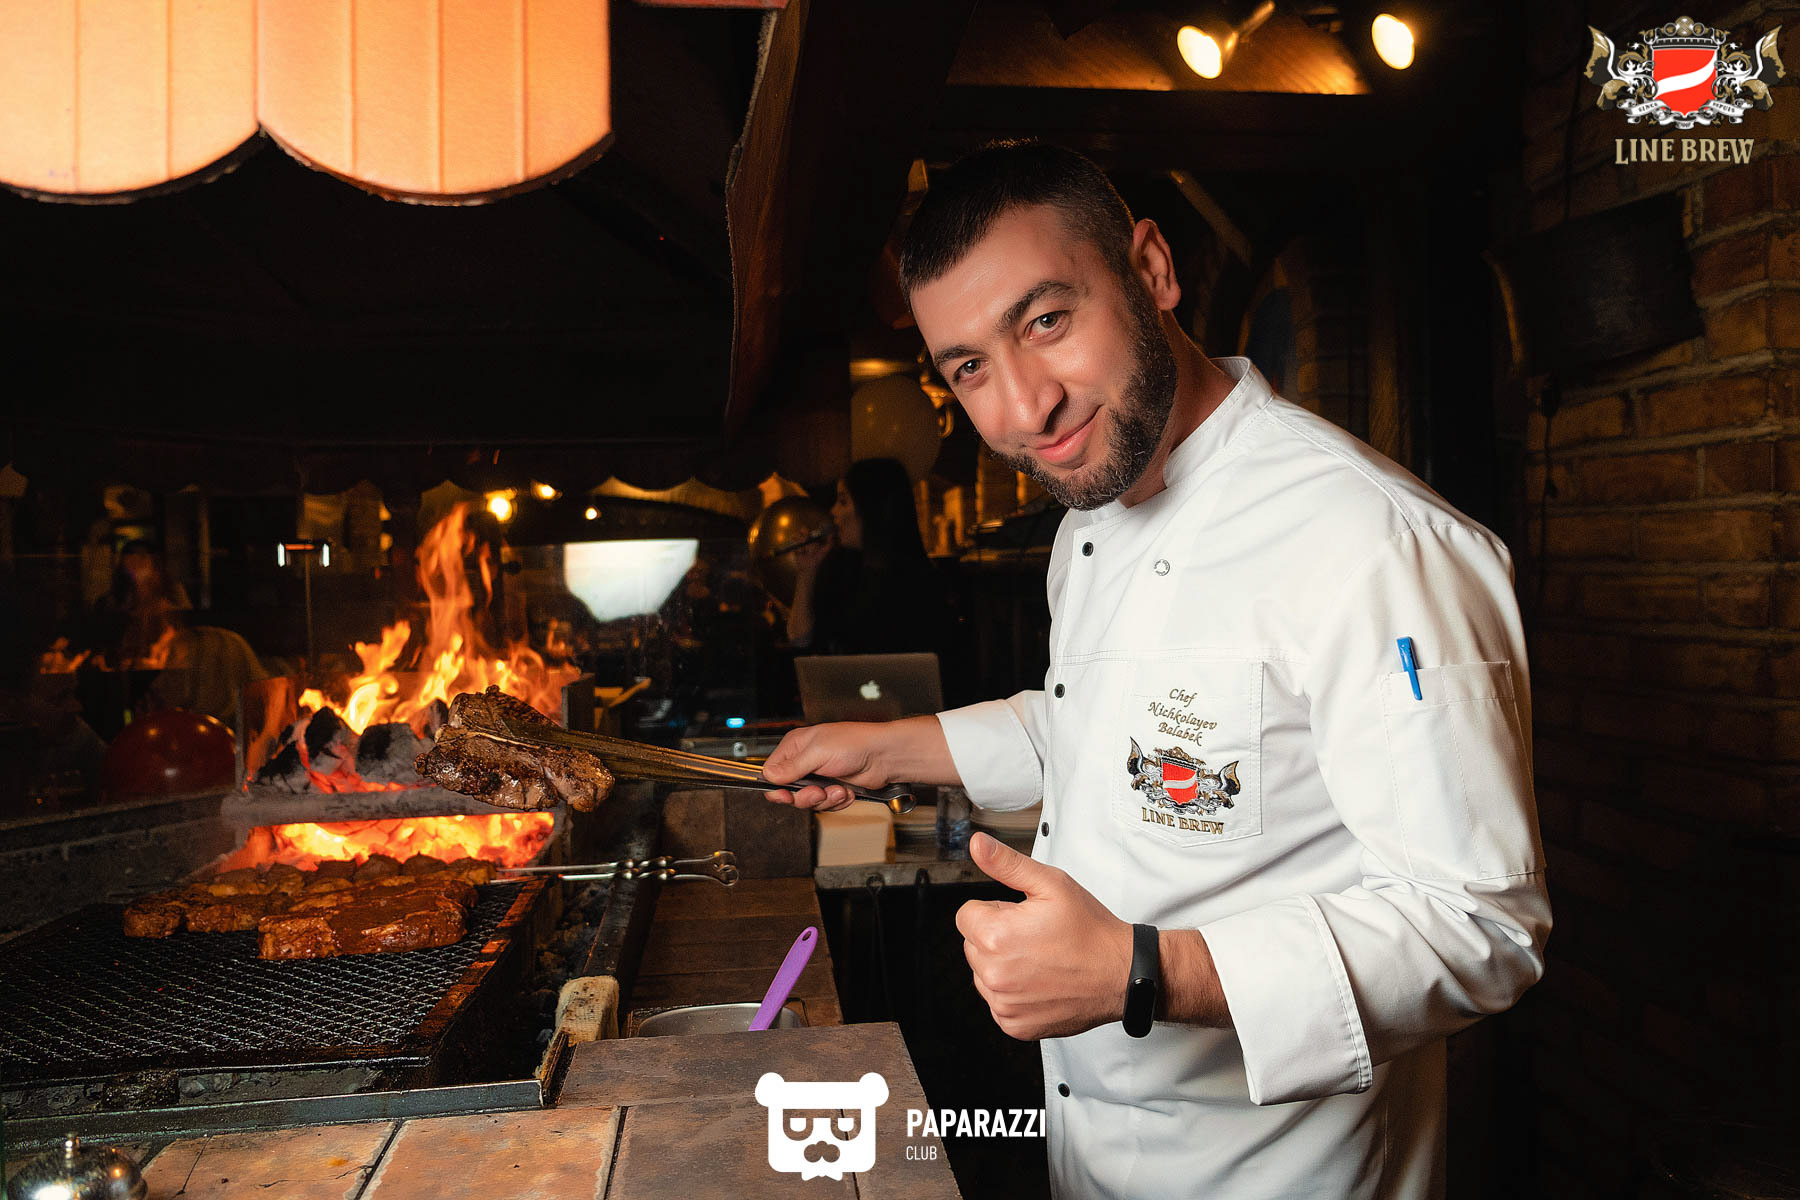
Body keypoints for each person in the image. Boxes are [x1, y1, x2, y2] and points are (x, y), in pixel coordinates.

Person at [760, 141, 1549, 1200]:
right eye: (969, 368)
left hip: (1284, 1175)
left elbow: (1483, 928)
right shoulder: (1088, 523)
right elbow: (1100, 730)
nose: (1024, 409)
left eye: (1047, 320)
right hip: (1092, 1153)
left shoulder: (1375, 542)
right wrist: (890, 749)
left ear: (1152, 270)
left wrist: (1142, 972)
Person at [785, 457, 955, 663]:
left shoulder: (920, 584)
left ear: (872, 508)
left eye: (843, 501)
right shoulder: (840, 568)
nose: (833, 511)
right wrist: (806, 573)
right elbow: (799, 640)